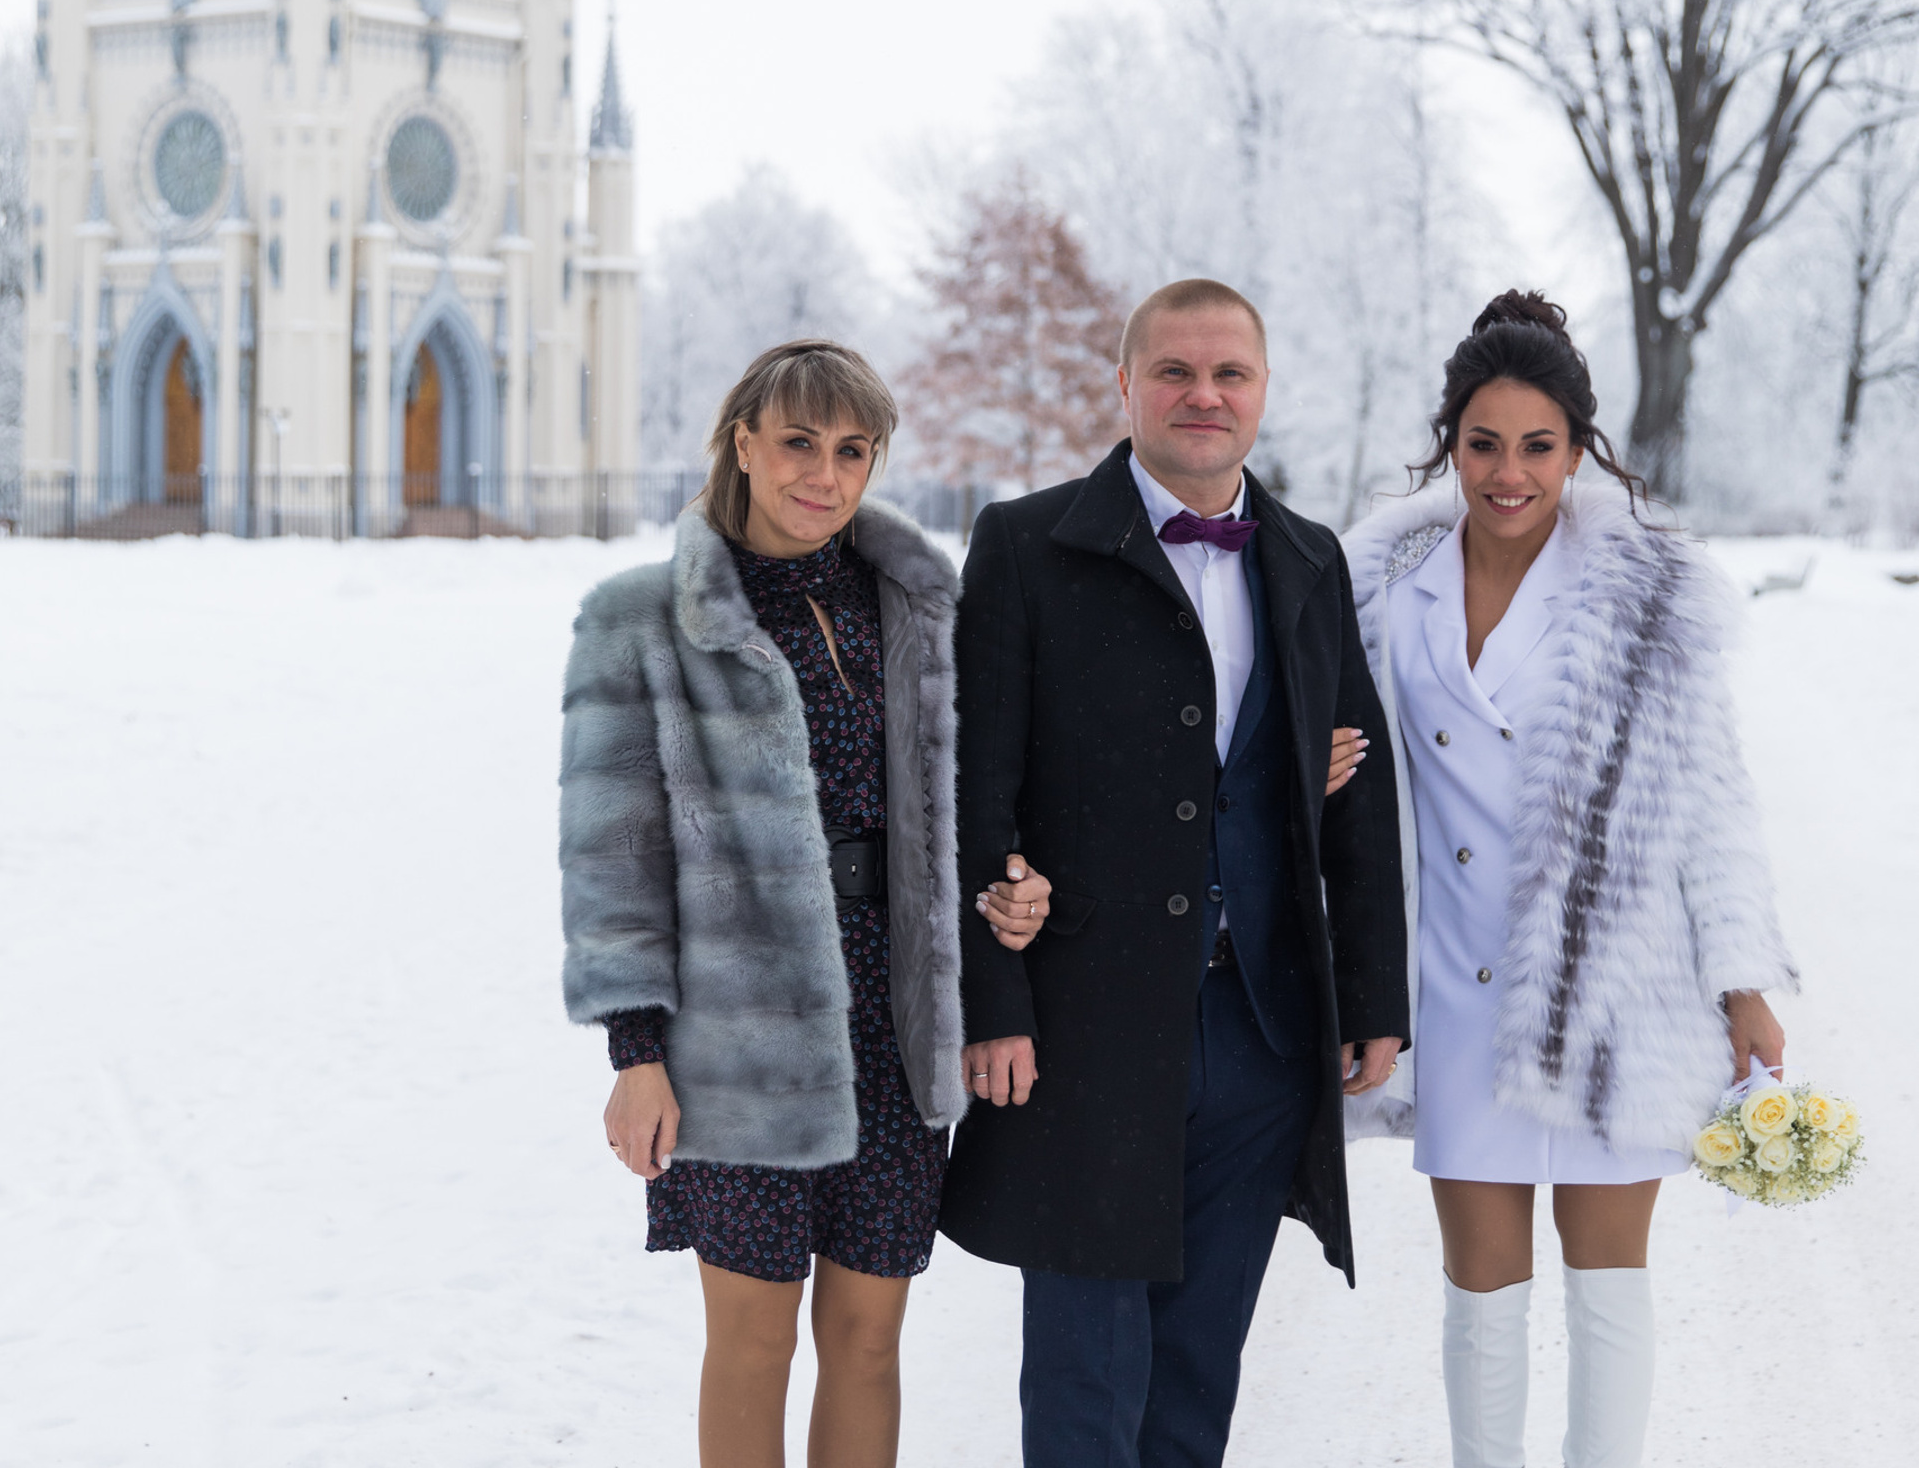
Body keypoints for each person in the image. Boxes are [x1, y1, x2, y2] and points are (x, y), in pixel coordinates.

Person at [939, 278, 1410, 1468]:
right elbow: (976, 785)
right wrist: (992, 1003)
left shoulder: (1308, 556)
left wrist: (1372, 998)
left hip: (1260, 1031)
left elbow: (1356, 794)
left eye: (1229, 374)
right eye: (1176, 372)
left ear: (1262, 391)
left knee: (1198, 1381)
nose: (1205, 396)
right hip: (1083, 1026)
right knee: (1087, 1384)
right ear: (1126, 385)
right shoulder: (1025, 544)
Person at [557, 339, 1052, 1468]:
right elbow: (614, 860)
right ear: (743, 443)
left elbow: (971, 795)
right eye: (797, 443)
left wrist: (1013, 882)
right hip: (736, 1032)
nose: (823, 475)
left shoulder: (918, 607)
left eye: (852, 450)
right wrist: (636, 1053)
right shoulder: (643, 621)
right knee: (754, 1340)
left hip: (893, 1015)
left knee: (870, 1340)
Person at [1341, 291, 1797, 1468]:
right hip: (1454, 984)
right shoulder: (1378, 586)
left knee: (1608, 1290)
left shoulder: (1648, 593)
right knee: (1481, 1296)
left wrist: (1743, 980)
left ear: (1579, 449)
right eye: (1484, 444)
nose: (1510, 474)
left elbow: (1713, 797)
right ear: (1449, 443)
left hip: (1609, 991)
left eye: (1538, 446)